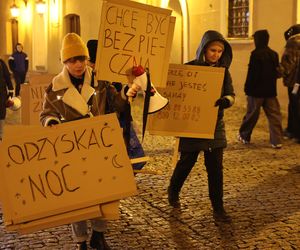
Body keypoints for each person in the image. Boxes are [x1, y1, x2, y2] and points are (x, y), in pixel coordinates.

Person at [40, 33, 140, 250]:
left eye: (81, 59)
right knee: (78, 197)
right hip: (71, 151)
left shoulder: (100, 81)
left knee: (102, 193)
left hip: (99, 148)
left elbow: (116, 104)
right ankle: (81, 240)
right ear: (65, 62)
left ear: (87, 59)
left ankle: (99, 234)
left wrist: (126, 93)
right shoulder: (55, 87)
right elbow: (46, 114)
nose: (78, 65)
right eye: (72, 60)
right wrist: (51, 122)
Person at [167, 30, 235, 222]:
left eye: (220, 51)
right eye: (213, 50)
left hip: (215, 126)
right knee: (186, 162)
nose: (216, 54)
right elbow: (175, 92)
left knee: (215, 169)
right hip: (192, 125)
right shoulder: (189, 68)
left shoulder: (223, 72)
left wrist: (226, 100)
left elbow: (231, 94)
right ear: (204, 49)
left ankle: (218, 208)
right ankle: (173, 190)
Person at [237, 29, 283, 148]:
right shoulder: (274, 54)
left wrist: (247, 88)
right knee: (274, 116)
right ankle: (277, 141)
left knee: (251, 115)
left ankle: (244, 136)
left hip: (256, 91)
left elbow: (252, 74)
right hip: (270, 91)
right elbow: (277, 72)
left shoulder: (256, 54)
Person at [278, 24, 300, 143]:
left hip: (294, 81)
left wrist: (277, 73)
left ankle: (294, 131)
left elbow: (288, 64)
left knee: (294, 106)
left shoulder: (292, 43)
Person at [0, 59, 14, 141]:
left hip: (1, 93)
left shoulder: (1, 63)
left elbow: (7, 76)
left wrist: (11, 90)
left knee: (1, 112)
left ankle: (1, 135)